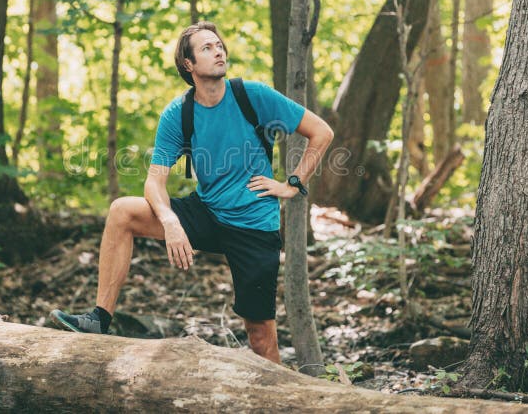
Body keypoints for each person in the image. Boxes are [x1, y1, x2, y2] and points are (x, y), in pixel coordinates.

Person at [51, 21, 334, 362]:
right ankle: (99, 319)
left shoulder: (252, 96)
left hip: (254, 224)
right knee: (122, 211)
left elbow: (321, 132)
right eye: (206, 48)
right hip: (208, 212)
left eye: (219, 45)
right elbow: (154, 181)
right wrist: (170, 221)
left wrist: (292, 185)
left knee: (261, 339)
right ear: (188, 64)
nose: (218, 51)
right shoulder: (179, 113)